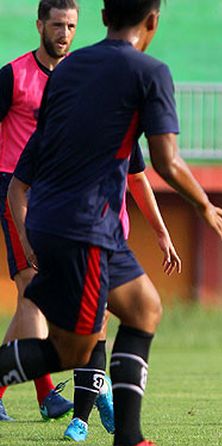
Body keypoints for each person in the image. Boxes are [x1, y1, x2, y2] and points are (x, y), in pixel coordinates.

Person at [1, 1, 222, 446]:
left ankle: (129, 443)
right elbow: (166, 161)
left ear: (103, 17)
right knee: (72, 350)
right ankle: (126, 443)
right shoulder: (150, 72)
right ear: (153, 21)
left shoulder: (67, 71)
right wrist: (203, 203)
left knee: (144, 308)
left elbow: (36, 157)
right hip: (82, 226)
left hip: (64, 219)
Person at [62, 148, 183, 442]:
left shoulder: (123, 130)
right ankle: (99, 388)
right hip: (66, 237)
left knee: (96, 320)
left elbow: (138, 180)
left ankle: (80, 421)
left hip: (109, 241)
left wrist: (161, 232)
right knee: (77, 327)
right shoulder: (63, 125)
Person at [0, 0, 79, 422]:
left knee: (32, 298)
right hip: (15, 189)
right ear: (39, 25)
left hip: (58, 193)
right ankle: (46, 392)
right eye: (56, 25)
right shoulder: (12, 75)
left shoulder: (75, 77)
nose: (64, 33)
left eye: (70, 25)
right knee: (33, 284)